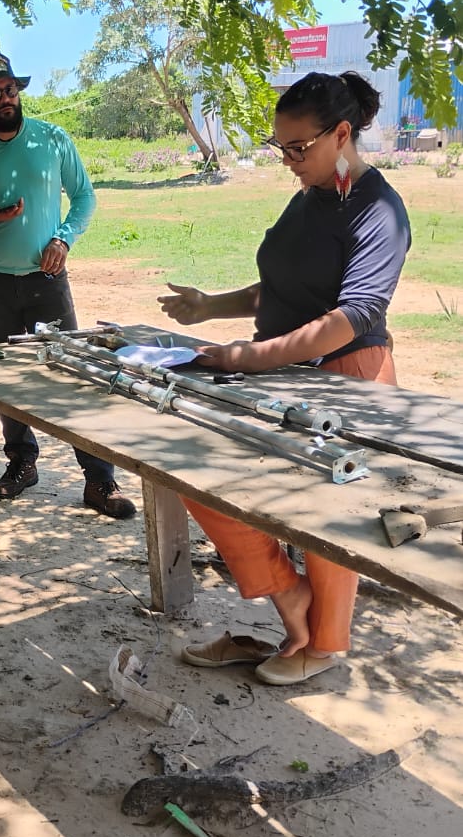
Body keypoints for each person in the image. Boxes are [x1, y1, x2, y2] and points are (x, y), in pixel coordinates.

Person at [158, 70, 411, 686]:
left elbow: (348, 319)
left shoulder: (378, 209)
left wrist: (246, 357)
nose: (289, 160)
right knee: (202, 476)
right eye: (281, 148)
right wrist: (208, 307)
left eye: (298, 148)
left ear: (342, 134)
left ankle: (322, 646)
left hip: (347, 379)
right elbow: (281, 288)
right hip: (284, 376)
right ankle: (291, 604)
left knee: (327, 523)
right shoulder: (309, 195)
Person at [0, 53, 136, 519]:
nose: (5, 99)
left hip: (47, 278)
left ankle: (99, 480)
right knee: (9, 378)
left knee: (71, 375)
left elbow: (84, 196)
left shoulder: (52, 139)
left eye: (10, 89)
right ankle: (22, 463)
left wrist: (64, 238)